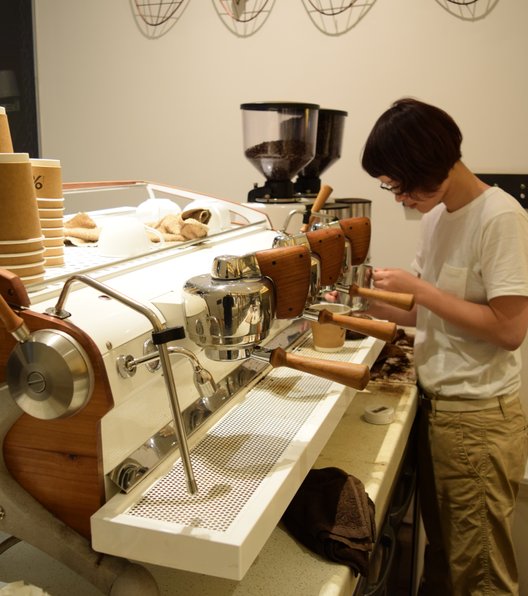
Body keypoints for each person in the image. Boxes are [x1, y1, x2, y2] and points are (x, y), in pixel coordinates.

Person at [360, 97, 528, 595]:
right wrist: (370, 303)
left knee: (479, 576)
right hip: (439, 410)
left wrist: (423, 289)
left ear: (430, 167)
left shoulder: (501, 218)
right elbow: (427, 314)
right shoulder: (436, 217)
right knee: (446, 562)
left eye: (398, 185)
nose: (398, 199)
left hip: (478, 420)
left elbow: (509, 329)